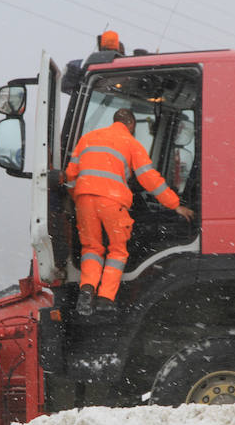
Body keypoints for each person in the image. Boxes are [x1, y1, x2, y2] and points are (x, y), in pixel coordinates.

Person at [63, 108, 195, 316]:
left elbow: (70, 175)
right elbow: (149, 178)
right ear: (131, 124)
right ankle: (106, 298)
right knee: (117, 251)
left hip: (84, 200)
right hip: (112, 201)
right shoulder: (131, 143)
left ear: (114, 120)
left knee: (91, 248)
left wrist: (76, 198)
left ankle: (87, 290)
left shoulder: (88, 138)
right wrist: (174, 204)